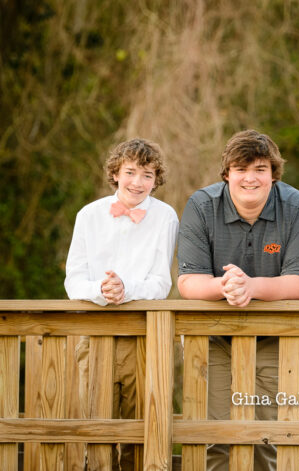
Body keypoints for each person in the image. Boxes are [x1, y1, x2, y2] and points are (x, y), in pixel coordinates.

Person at [177, 129, 299, 471]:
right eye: (241, 169)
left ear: (273, 174)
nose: (250, 178)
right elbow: (188, 282)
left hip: (279, 337)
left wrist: (251, 286)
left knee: (270, 438)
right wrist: (226, 286)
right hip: (213, 336)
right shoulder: (201, 205)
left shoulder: (296, 205)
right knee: (214, 437)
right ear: (227, 174)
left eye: (260, 169)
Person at [64, 138, 179, 470]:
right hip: (94, 334)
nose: (138, 182)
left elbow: (161, 283)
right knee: (96, 426)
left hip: (142, 336)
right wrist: (103, 290)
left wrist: (126, 289)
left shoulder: (165, 217)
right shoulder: (89, 215)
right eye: (130, 172)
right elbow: (74, 280)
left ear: (156, 180)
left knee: (141, 429)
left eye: (147, 174)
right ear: (115, 174)